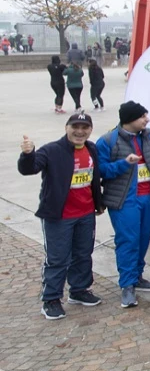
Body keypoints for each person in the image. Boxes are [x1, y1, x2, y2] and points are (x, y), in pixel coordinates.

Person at [17, 112, 104, 319]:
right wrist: (28, 154)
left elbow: (94, 178)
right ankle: (51, 299)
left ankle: (79, 290)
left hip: (86, 214)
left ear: (90, 130)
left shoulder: (91, 148)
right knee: (57, 259)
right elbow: (29, 169)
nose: (80, 131)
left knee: (83, 254)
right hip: (59, 216)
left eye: (85, 127)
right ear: (66, 127)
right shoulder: (52, 150)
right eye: (75, 126)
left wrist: (99, 204)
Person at [96, 101, 150, 308]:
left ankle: (137, 276)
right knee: (128, 240)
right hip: (124, 200)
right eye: (143, 116)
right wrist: (124, 164)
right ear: (130, 119)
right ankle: (127, 285)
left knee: (143, 239)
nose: (147, 119)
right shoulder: (107, 141)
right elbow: (100, 170)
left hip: (149, 198)